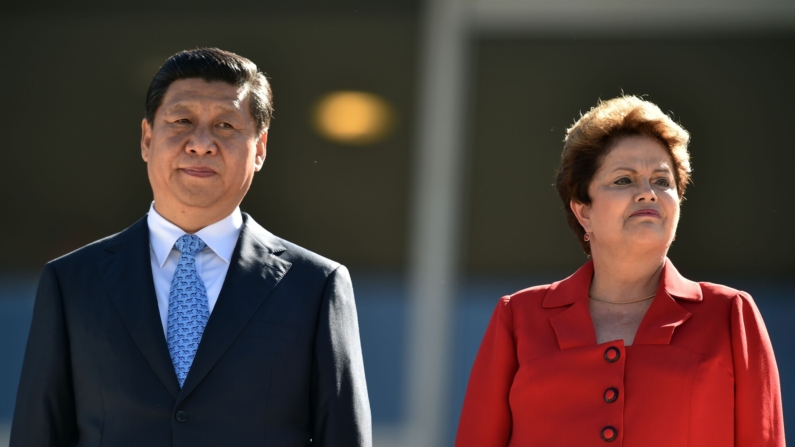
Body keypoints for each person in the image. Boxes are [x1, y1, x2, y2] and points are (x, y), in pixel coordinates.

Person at [10, 48, 371, 447]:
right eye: (182, 121)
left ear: (260, 149)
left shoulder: (315, 287)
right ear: (147, 138)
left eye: (226, 125)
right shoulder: (72, 283)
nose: (201, 144)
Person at [454, 96, 784, 446]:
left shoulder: (730, 314)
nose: (648, 194)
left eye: (662, 181)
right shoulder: (519, 318)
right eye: (624, 180)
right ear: (583, 211)